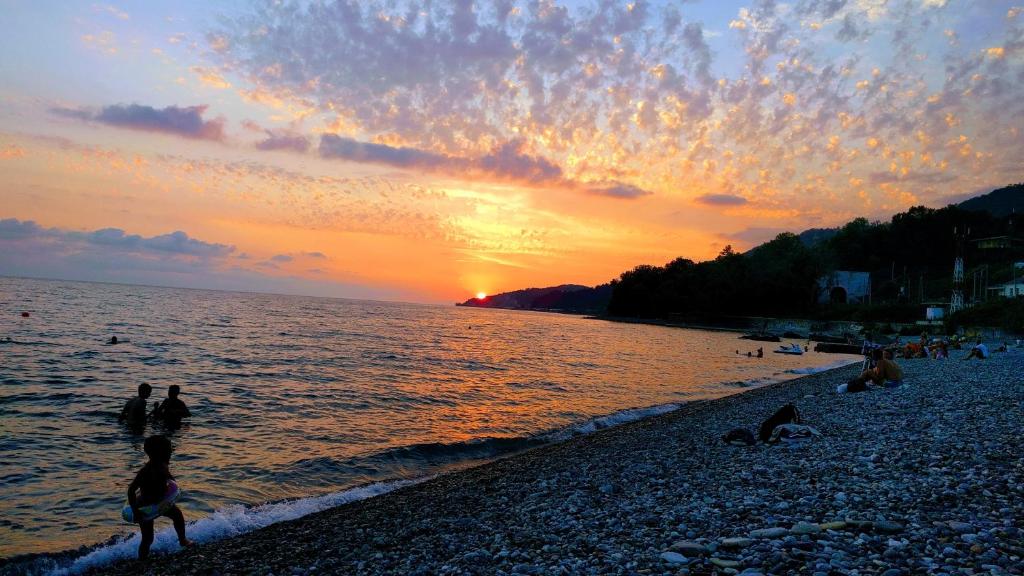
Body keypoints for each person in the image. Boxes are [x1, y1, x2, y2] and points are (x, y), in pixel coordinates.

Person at [127, 435, 191, 559]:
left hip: (161, 502)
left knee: (177, 515)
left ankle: (183, 540)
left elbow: (167, 477)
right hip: (146, 506)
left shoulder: (162, 465)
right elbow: (131, 490)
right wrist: (136, 511)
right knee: (148, 538)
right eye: (169, 450)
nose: (171, 452)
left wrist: (170, 479)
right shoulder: (147, 470)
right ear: (159, 453)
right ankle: (142, 559)